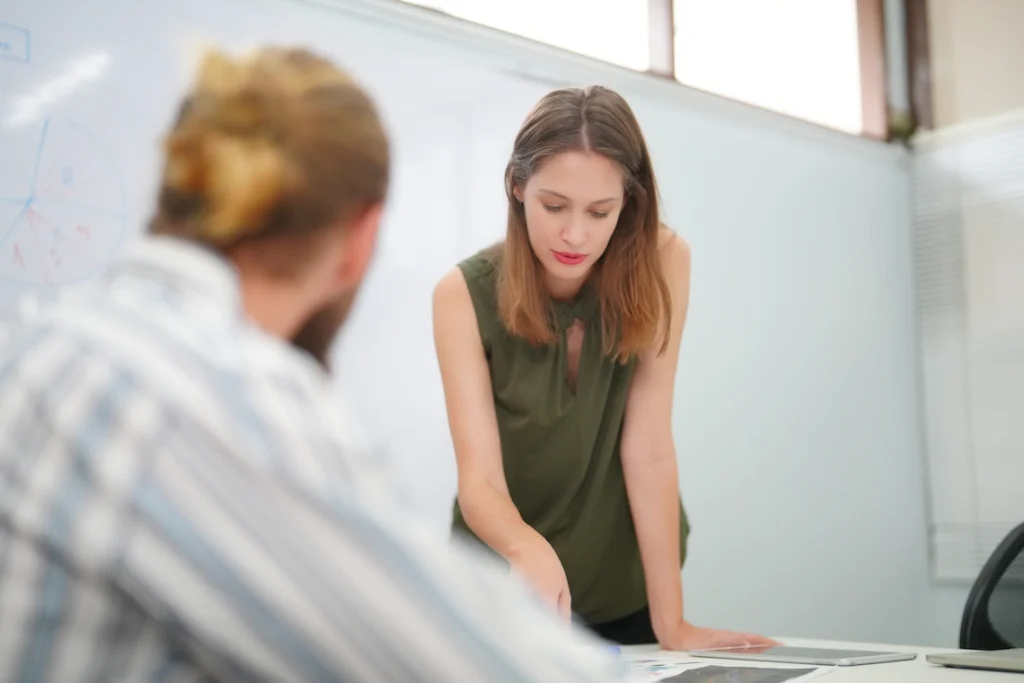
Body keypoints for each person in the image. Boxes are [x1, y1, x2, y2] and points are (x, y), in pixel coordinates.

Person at [0, 47, 626, 683]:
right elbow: (459, 659)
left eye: (599, 213)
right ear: (360, 239)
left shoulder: (46, 338)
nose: (576, 232)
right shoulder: (224, 398)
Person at [433, 85, 776, 650]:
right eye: (554, 205)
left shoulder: (665, 261)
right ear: (517, 187)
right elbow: (481, 481)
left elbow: (648, 446)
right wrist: (525, 546)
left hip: (622, 589)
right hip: (499, 592)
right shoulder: (461, 295)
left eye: (600, 212)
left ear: (630, 203)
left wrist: (674, 625)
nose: (575, 235)